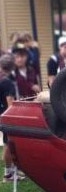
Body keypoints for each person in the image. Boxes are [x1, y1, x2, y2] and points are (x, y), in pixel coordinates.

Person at [0, 54, 17, 182]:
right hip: (4, 116)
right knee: (8, 144)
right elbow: (10, 103)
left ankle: (11, 171)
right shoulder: (7, 82)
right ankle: (8, 175)